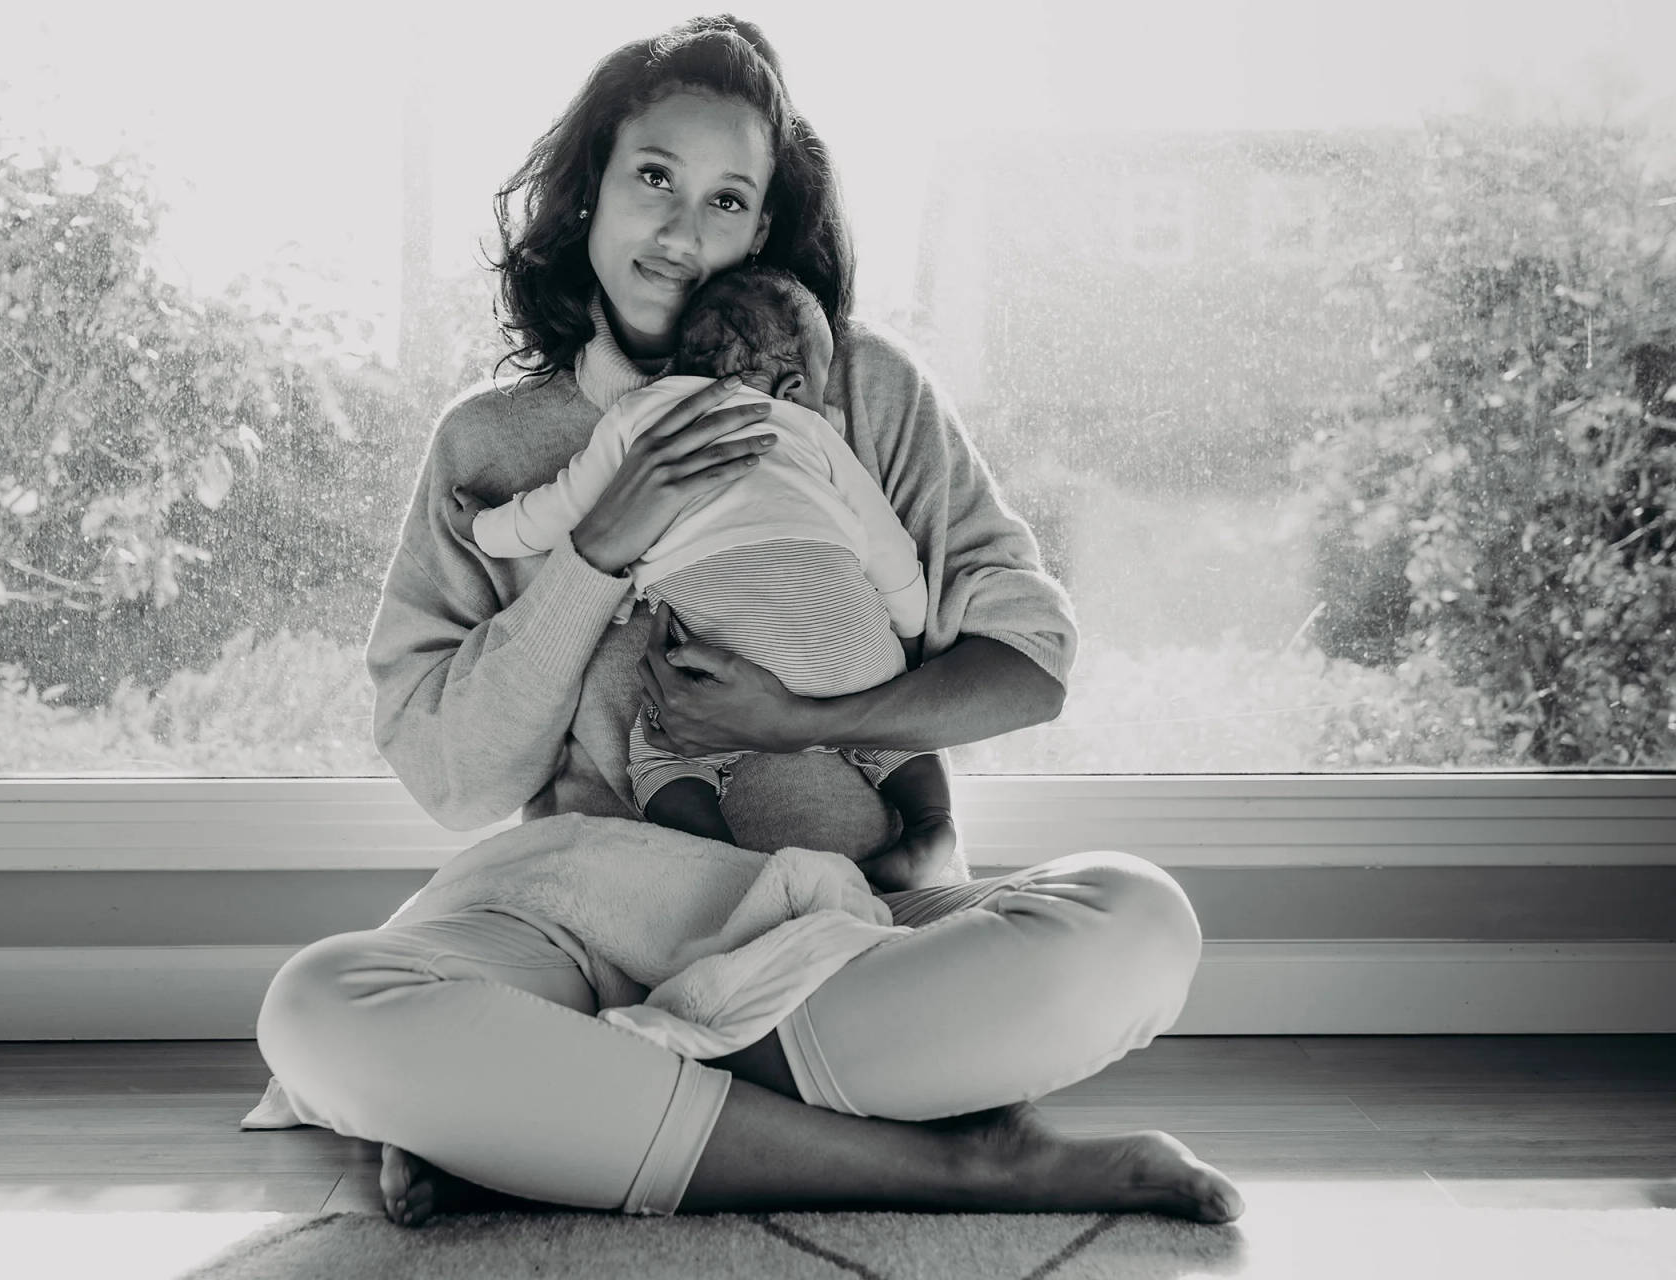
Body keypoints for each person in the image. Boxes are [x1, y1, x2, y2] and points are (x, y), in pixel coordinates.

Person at [256, 13, 1245, 1229]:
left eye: (729, 201)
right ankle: (951, 1163)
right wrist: (599, 547)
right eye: (654, 179)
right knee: (322, 1004)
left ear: (765, 229)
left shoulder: (860, 390)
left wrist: (809, 716)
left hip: (851, 915)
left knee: (1139, 919)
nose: (681, 230)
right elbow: (455, 774)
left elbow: (1028, 664)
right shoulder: (493, 442)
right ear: (590, 195)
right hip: (586, 914)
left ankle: (562, 1109)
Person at [449, 264, 957, 892]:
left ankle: (728, 870)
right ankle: (931, 827)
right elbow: (885, 541)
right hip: (853, 650)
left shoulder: (641, 419)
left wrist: (484, 530)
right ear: (794, 384)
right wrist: (905, 627)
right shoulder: (811, 429)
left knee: (663, 754)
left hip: (723, 650)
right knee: (900, 733)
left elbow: (558, 510)